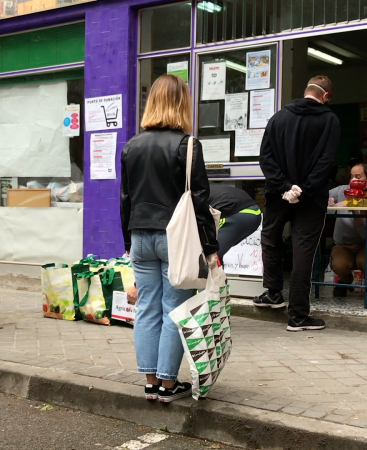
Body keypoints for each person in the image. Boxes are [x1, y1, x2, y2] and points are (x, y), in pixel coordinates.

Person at [120, 74, 218, 403]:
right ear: (182, 103)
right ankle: (167, 384)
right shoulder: (187, 145)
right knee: (174, 310)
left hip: (140, 235)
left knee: (146, 308)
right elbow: (200, 203)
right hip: (174, 239)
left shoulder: (132, 145)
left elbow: (125, 199)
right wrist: (211, 248)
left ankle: (150, 382)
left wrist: (128, 243)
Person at [257, 76, 341, 332]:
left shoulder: (278, 118)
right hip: (311, 198)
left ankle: (273, 292)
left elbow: (266, 157)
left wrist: (284, 186)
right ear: (326, 96)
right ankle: (298, 316)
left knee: (270, 239)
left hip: (277, 195)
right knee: (303, 251)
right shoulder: (330, 120)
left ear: (306, 91)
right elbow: (326, 162)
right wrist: (304, 189)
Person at [124, 184, 261, 301]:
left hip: (240, 213)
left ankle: (206, 308)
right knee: (212, 257)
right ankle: (211, 305)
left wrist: (137, 286)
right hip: (248, 212)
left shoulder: (180, 204)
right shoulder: (181, 197)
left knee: (208, 257)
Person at [327, 161, 367, 297]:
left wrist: (356, 213)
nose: (353, 181)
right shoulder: (342, 190)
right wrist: (329, 201)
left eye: (358, 176)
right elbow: (323, 197)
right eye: (351, 177)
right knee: (339, 264)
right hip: (343, 245)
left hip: (366, 245)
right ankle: (345, 281)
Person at [209, 183, 262, 261]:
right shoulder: (201, 189)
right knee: (215, 254)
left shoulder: (190, 198)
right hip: (255, 213)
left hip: (239, 214)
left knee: (210, 256)